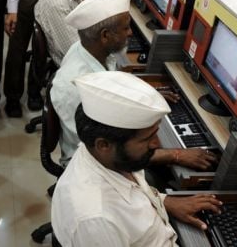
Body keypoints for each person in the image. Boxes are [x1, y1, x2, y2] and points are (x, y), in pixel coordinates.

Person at [51, 71, 223, 246]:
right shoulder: (97, 220)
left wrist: (165, 202)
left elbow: (135, 193)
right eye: (147, 139)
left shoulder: (106, 158)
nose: (156, 144)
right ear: (103, 145)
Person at [51, 0, 217, 170]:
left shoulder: (88, 48)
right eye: (125, 28)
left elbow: (112, 85)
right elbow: (106, 154)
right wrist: (176, 155)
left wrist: (140, 95)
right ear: (105, 36)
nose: (130, 33)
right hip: (91, 166)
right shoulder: (77, 87)